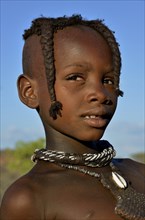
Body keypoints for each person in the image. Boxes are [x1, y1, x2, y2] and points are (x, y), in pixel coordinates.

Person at [0, 15, 145, 220]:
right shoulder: (29, 198)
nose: (101, 94)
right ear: (29, 92)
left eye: (108, 80)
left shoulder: (138, 171)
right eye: (75, 77)